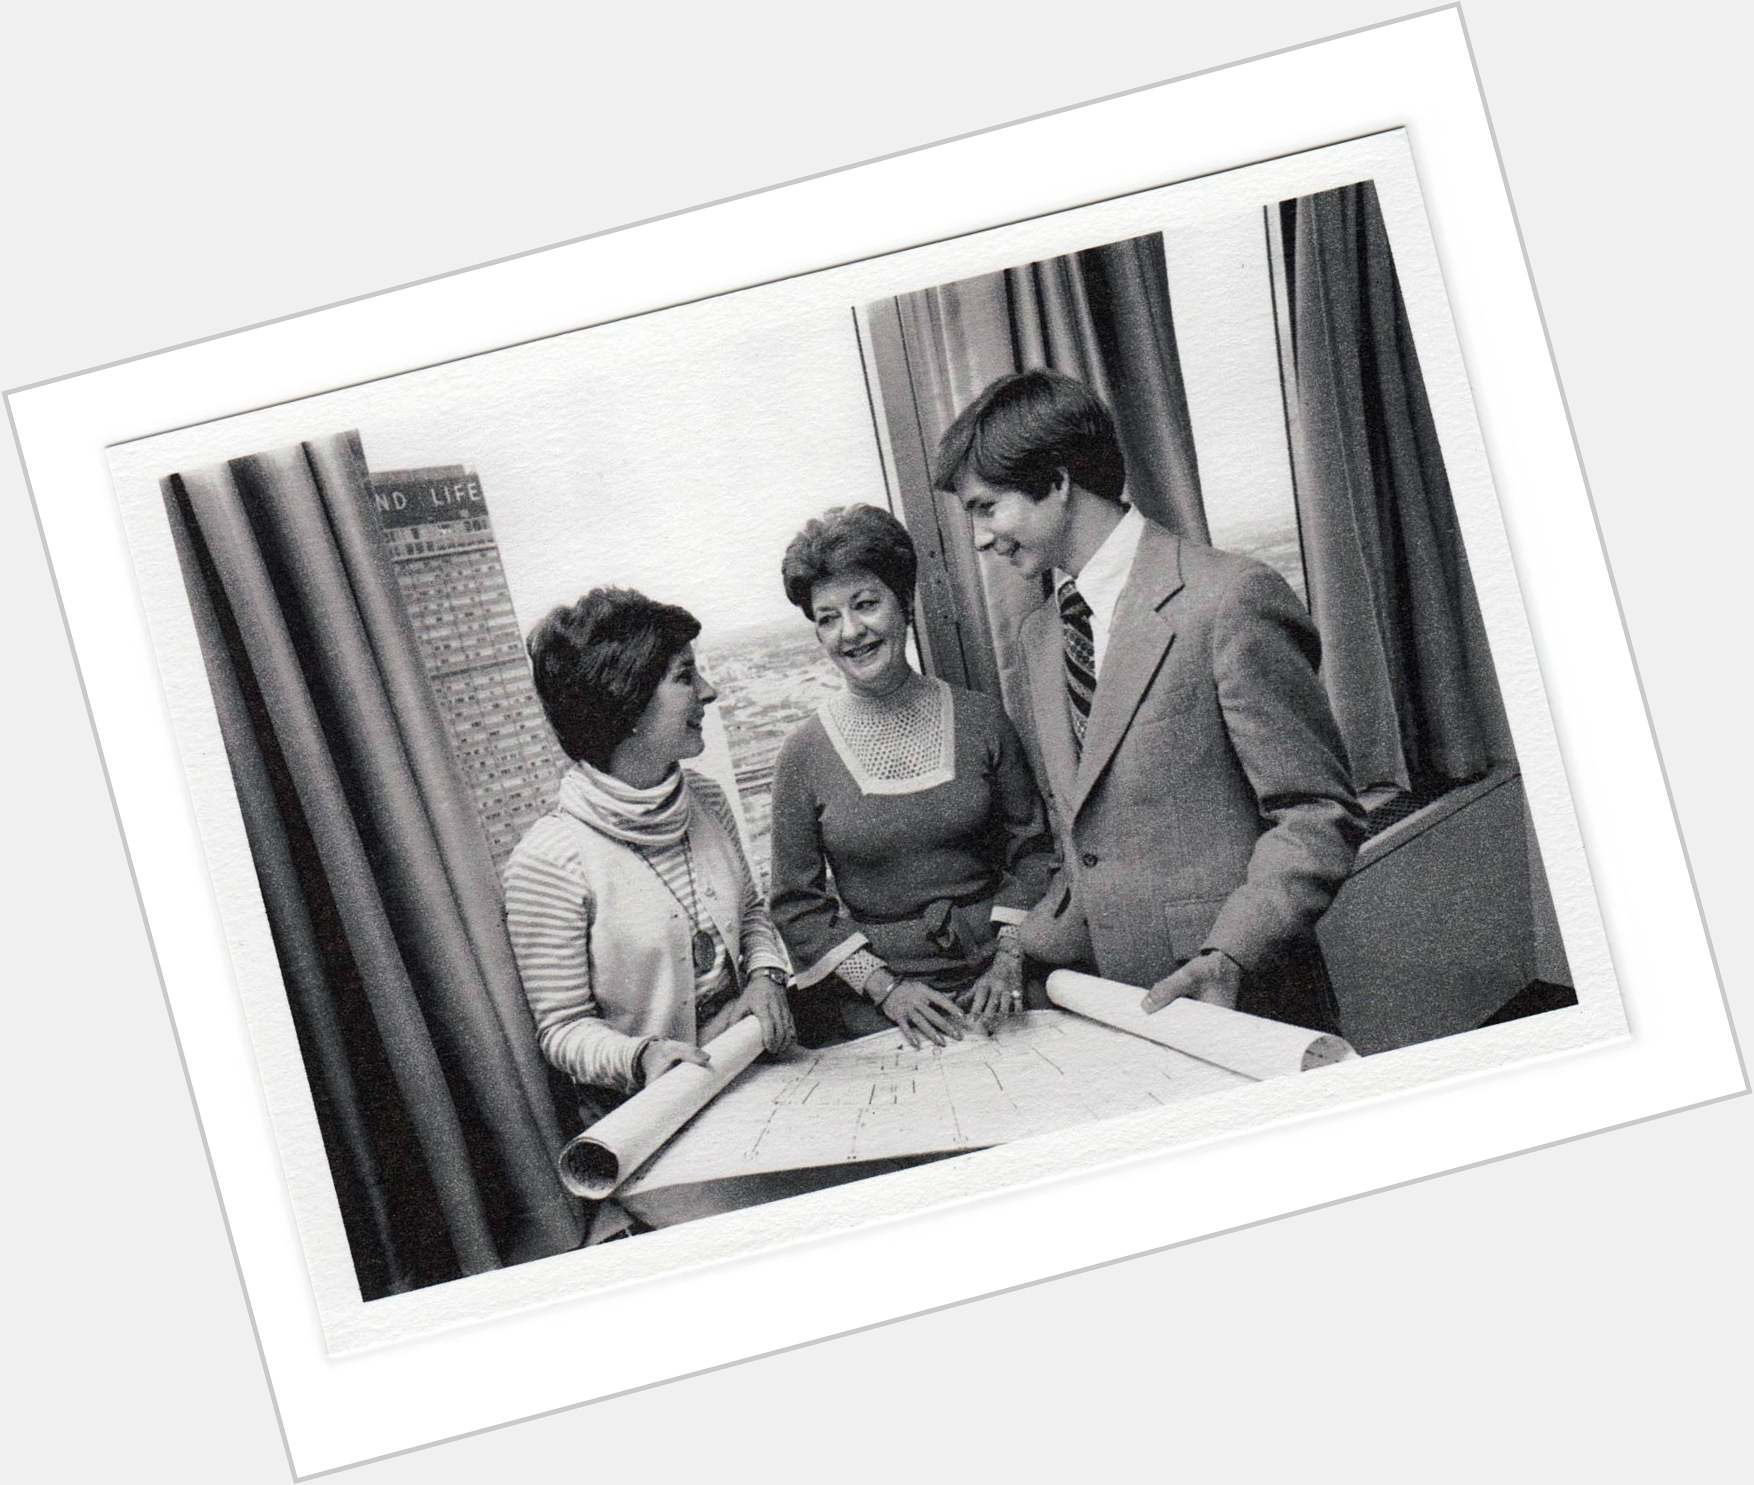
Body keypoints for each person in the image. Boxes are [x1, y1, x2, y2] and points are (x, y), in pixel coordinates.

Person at [933, 369, 1364, 1034]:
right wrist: (1020, 946)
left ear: (1056, 480)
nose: (982, 538)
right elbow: (1088, 845)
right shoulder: (1041, 636)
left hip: (1244, 1001)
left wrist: (1229, 955)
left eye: (986, 507)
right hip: (1118, 1010)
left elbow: (1317, 811)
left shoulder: (1230, 598)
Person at [503, 587, 794, 1127]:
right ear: (627, 700)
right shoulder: (549, 861)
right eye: (685, 676)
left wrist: (765, 977)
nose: (708, 691)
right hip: (659, 1113)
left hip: (755, 1068)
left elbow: (751, 912)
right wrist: (643, 1057)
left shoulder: (706, 799)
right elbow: (563, 1030)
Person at [769, 504, 1054, 1050]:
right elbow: (796, 904)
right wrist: (886, 989)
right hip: (881, 1008)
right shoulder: (802, 753)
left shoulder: (981, 718)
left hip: (1003, 986)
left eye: (865, 604)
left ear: (904, 601)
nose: (850, 632)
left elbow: (1036, 852)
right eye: (827, 618)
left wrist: (1009, 959)